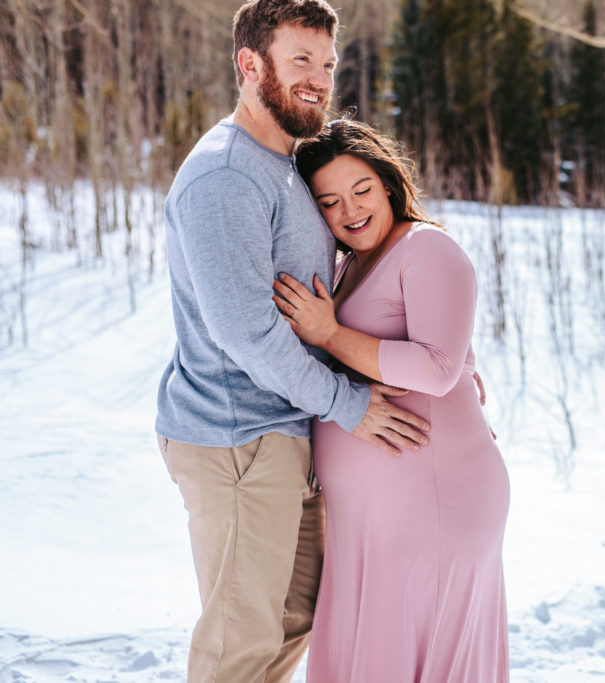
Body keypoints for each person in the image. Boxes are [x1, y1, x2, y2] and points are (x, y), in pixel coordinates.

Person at [154, 2, 429, 681]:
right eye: (299, 60)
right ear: (251, 65)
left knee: (294, 617)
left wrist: (440, 358)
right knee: (239, 640)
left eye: (328, 64)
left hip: (288, 429)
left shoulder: (288, 164)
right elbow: (246, 331)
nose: (318, 79)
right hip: (236, 437)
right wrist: (350, 403)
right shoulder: (225, 178)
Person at [272, 118, 511, 682]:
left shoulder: (428, 248)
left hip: (433, 501)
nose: (350, 210)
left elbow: (437, 366)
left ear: (388, 183)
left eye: (361, 190)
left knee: (408, 655)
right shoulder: (349, 265)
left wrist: (329, 334)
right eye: (329, 201)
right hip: (371, 515)